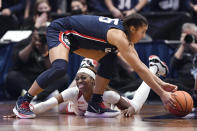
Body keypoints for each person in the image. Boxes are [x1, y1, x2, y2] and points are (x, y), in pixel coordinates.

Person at [13, 13, 177, 119]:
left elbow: (140, 66)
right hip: (62, 30)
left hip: (77, 38)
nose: (143, 36)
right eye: (142, 31)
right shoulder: (119, 37)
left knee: (109, 58)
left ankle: (95, 103)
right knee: (60, 67)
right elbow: (140, 70)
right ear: (132, 28)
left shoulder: (124, 37)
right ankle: (23, 102)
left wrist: (161, 84)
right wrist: (162, 94)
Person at [5, 26, 68, 101]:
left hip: (44, 79)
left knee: (63, 77)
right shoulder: (24, 42)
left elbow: (52, 68)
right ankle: (37, 94)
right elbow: (20, 59)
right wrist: (32, 44)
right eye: (39, 35)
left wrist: (45, 52)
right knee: (11, 76)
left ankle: (35, 96)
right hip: (26, 77)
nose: (41, 38)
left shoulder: (52, 45)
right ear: (33, 34)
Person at [170, 23, 197, 107]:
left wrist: (192, 45)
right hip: (183, 82)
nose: (189, 37)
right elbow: (173, 65)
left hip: (194, 81)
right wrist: (183, 45)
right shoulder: (182, 47)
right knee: (167, 83)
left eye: (191, 35)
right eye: (187, 35)